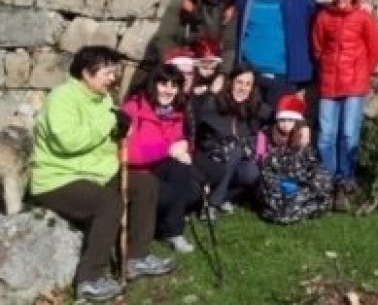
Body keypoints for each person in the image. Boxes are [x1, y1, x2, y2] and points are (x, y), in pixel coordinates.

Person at [30, 46, 175, 302]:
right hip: (59, 179)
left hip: (97, 172)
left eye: (113, 72)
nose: (112, 78)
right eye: (107, 73)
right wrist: (109, 123)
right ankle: (90, 278)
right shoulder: (62, 99)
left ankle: (136, 258)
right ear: (86, 73)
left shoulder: (103, 97)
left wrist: (121, 131)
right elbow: (69, 141)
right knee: (108, 203)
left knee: (145, 185)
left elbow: (107, 135)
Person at [311, 0, 378, 209]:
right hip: (329, 84)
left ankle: (347, 179)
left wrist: (363, 72)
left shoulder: (363, 17)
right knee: (325, 137)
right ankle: (329, 179)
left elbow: (376, 49)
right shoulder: (323, 16)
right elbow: (317, 46)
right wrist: (326, 66)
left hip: (354, 84)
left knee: (348, 135)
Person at [122, 63, 203, 254]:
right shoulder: (133, 108)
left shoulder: (175, 112)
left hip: (161, 170)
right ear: (153, 84)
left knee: (191, 189)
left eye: (174, 86)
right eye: (163, 84)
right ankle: (169, 228)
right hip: (136, 172)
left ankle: (169, 228)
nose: (169, 90)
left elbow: (178, 141)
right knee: (176, 191)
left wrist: (184, 144)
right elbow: (129, 153)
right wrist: (167, 149)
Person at [236, 0, 318, 106]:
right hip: (250, 73)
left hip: (283, 75)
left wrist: (357, 4)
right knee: (249, 122)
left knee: (278, 123)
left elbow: (323, 16)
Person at [194, 66, 269, 213]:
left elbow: (276, 116)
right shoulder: (213, 103)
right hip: (211, 158)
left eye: (248, 84)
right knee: (234, 150)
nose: (243, 88)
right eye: (239, 82)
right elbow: (195, 112)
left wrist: (301, 126)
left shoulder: (253, 107)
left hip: (235, 160)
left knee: (251, 172)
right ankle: (211, 204)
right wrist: (208, 91)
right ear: (230, 83)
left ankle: (223, 198)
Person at [258, 95, 334, 224]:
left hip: (298, 181)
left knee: (321, 180)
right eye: (282, 120)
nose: (285, 124)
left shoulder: (301, 136)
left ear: (296, 121)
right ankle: (285, 209)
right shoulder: (266, 133)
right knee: (277, 200)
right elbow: (261, 160)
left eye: (290, 120)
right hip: (275, 182)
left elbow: (310, 164)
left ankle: (298, 205)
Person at [154, 0, 237, 65]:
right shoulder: (183, 0)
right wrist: (175, 62)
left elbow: (229, 45)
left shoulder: (229, 8)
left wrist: (222, 74)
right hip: (180, 62)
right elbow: (164, 37)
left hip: (210, 65)